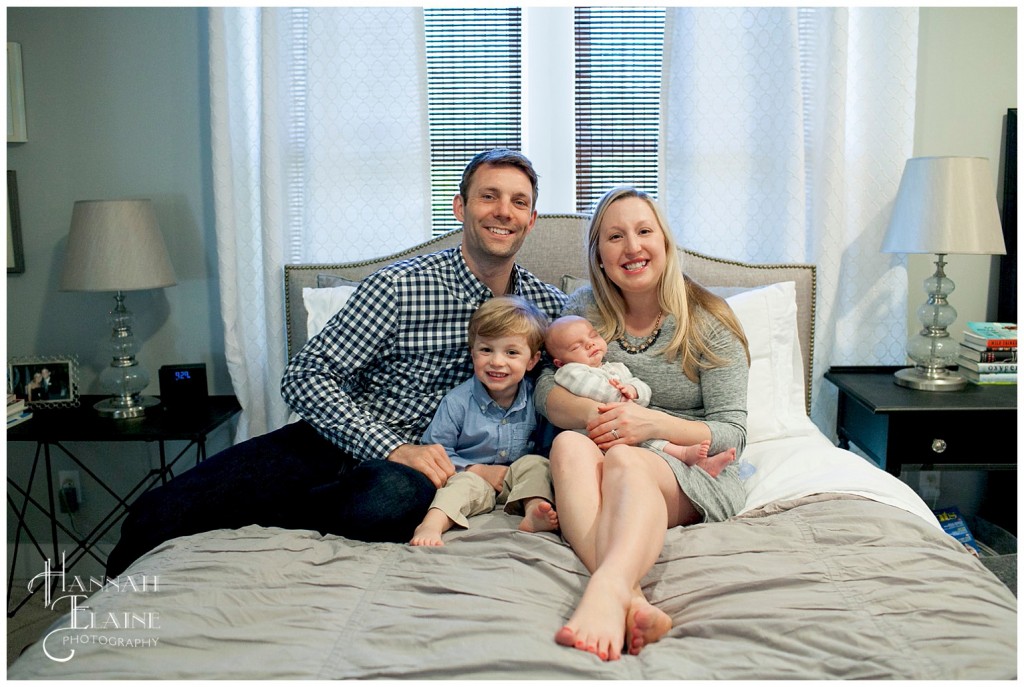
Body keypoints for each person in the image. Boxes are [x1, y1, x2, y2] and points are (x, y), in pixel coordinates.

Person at [105, 148, 567, 577]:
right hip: (334, 441)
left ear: (530, 221)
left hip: (417, 475)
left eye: (518, 202)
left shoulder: (547, 309)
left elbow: (607, 350)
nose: (504, 211)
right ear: (460, 208)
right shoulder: (400, 287)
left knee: (390, 501)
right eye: (489, 196)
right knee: (157, 513)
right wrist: (389, 445)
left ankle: (284, 512)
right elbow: (305, 376)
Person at [535, 186, 750, 661]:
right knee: (568, 447)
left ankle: (606, 590)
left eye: (644, 231)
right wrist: (604, 417)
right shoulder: (584, 310)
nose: (632, 246)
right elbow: (545, 394)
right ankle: (631, 598)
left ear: (666, 242)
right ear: (599, 255)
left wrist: (650, 424)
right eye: (615, 236)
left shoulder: (709, 318)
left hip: (690, 466)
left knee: (627, 464)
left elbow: (732, 431)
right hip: (611, 447)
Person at [410, 296, 560, 547]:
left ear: (532, 360)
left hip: (516, 479)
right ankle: (431, 523)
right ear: (473, 353)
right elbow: (436, 452)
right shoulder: (458, 401)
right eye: (486, 349)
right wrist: (474, 470)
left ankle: (535, 509)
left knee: (537, 465)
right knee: (461, 486)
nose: (497, 361)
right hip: (474, 477)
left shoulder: (537, 397)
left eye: (512, 352)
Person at [544, 315, 736, 478]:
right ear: (560, 362)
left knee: (645, 434)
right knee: (640, 438)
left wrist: (633, 391)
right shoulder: (569, 372)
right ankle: (685, 455)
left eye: (593, 335)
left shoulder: (615, 367)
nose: (590, 344)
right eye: (577, 346)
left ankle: (692, 460)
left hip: (632, 424)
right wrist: (620, 397)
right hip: (598, 439)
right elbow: (591, 389)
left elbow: (642, 389)